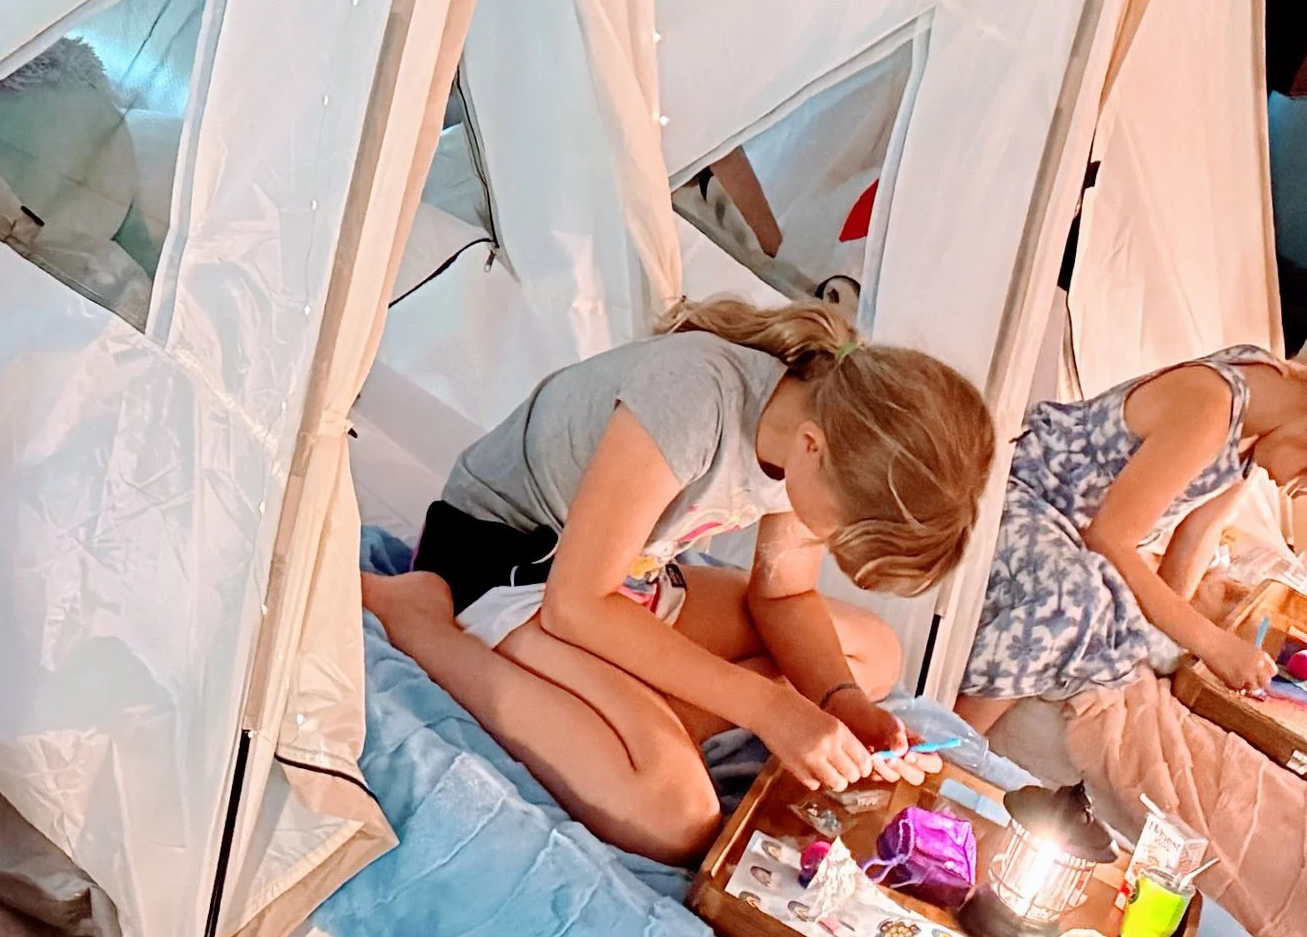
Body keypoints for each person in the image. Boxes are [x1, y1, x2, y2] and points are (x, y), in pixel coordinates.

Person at [363, 298, 997, 863]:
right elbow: (575, 607)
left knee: (871, 654)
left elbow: (783, 593)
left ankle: (629, 711)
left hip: (625, 581)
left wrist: (841, 705)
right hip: (509, 568)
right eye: (834, 524)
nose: (823, 537)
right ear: (813, 445)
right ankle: (418, 620)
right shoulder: (694, 398)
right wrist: (769, 708)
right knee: (677, 815)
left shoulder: (820, 427)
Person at [957, 346, 1307, 728]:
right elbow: (1108, 538)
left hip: (1071, 532)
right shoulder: (1212, 406)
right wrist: (1212, 644)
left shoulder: (1261, 427)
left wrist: (1173, 642)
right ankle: (951, 737)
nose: (1296, 494)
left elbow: (1194, 542)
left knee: (1142, 637)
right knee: (1076, 601)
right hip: (1026, 496)